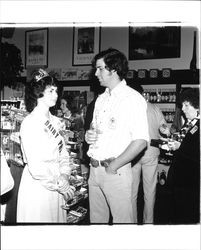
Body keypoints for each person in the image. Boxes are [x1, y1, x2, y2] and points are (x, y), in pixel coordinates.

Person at [85, 48, 149, 223]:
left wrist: (114, 166)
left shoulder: (132, 99)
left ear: (113, 69)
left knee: (123, 225)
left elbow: (141, 141)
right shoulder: (101, 99)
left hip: (115, 172)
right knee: (97, 223)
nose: (95, 73)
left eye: (100, 68)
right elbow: (94, 128)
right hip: (94, 170)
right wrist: (88, 135)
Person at [17, 69, 75, 223]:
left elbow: (63, 154)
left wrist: (64, 175)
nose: (56, 95)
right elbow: (36, 167)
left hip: (58, 182)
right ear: (38, 93)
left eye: (56, 90)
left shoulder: (56, 121)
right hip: (39, 186)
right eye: (50, 91)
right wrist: (59, 184)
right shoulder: (30, 123)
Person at [131, 84, 170, 224]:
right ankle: (149, 223)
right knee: (150, 191)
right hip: (151, 153)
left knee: (132, 191)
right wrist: (163, 130)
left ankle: (131, 223)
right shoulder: (154, 108)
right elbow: (164, 128)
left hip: (134, 154)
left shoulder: (131, 109)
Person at [166, 88, 200, 224]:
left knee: (187, 215)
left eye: (187, 105)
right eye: (183, 105)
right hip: (181, 177)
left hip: (190, 179)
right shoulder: (189, 123)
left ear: (197, 106)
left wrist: (180, 147)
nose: (183, 109)